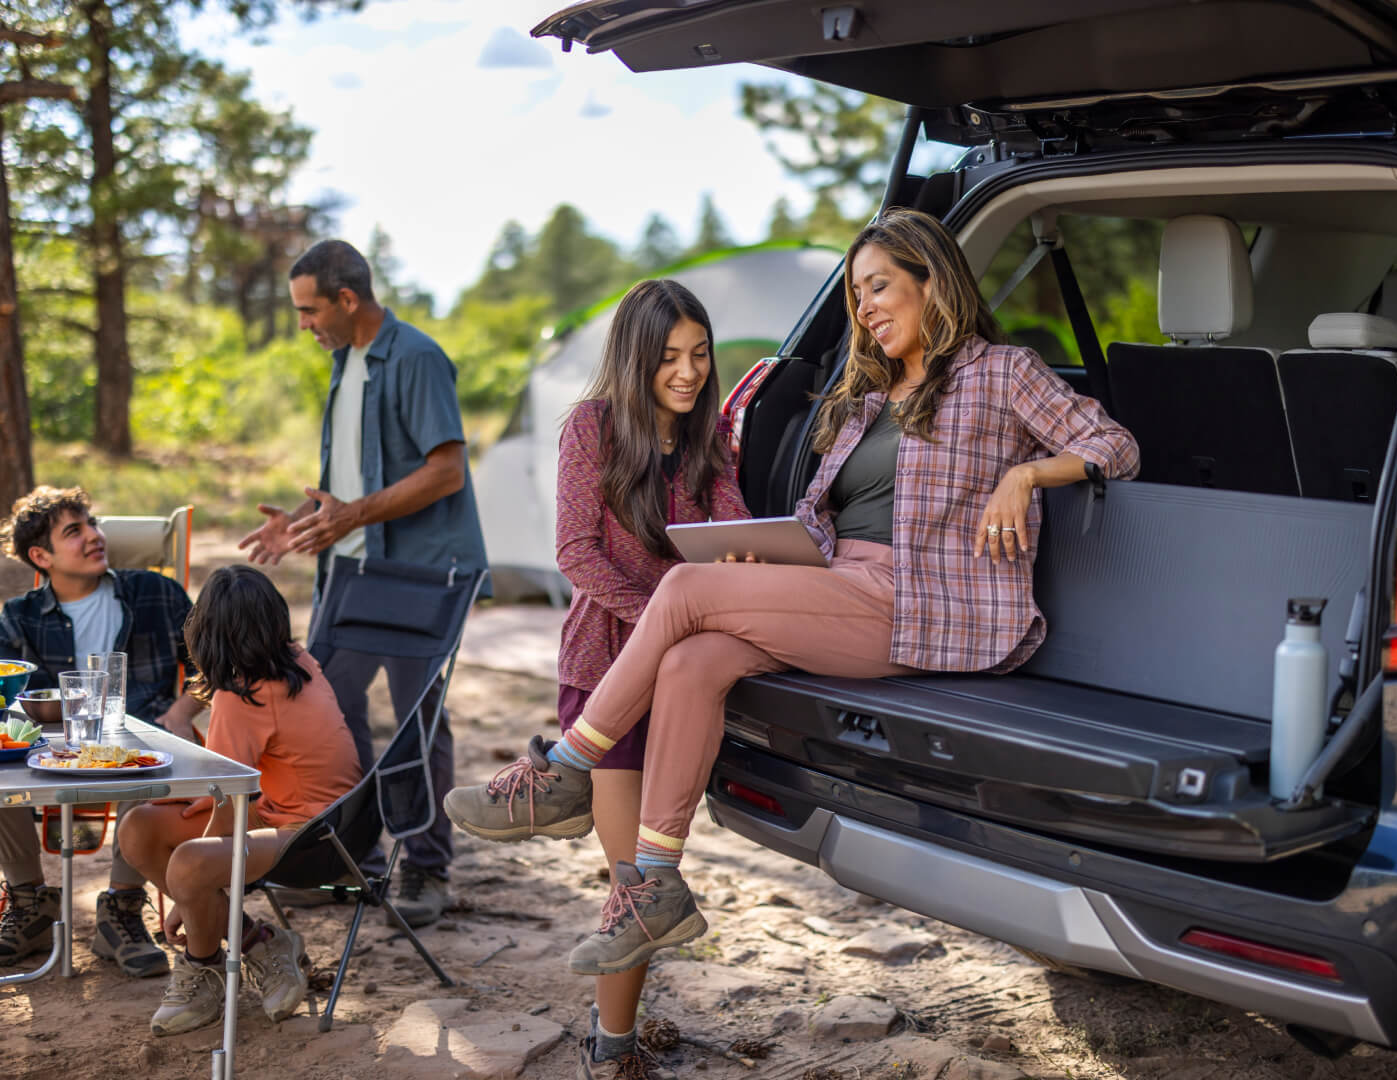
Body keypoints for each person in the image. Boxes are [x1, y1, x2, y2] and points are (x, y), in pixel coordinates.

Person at [444, 208, 1140, 973]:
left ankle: (567, 771)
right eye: (856, 296)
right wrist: (767, 557)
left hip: (923, 604)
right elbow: (821, 521)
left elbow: (1114, 444)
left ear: (931, 281)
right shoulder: (868, 399)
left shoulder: (1002, 372)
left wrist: (1026, 474)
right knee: (694, 661)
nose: (866, 308)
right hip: (844, 588)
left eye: (879, 287)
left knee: (682, 590)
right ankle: (658, 881)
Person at [447, 280, 747, 1078]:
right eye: (669, 357)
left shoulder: (713, 440)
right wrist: (667, 612)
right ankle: (611, 1048)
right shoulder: (592, 427)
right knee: (632, 888)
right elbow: (576, 553)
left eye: (700, 354)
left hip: (682, 684)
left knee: (655, 879)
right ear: (635, 357)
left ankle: (557, 785)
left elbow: (733, 538)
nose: (687, 372)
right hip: (602, 672)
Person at [238, 239, 488, 927]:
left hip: (419, 575)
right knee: (327, 713)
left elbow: (445, 472)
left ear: (348, 300)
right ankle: (354, 865)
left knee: (415, 723)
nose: (303, 325)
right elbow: (351, 484)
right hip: (351, 568)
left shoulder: (417, 358)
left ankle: (426, 868)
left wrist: (353, 515)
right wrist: (300, 522)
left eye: (309, 310)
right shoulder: (345, 362)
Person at [118, 564, 362, 1036]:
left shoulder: (241, 697)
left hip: (310, 839)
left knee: (188, 864)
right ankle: (259, 942)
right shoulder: (296, 661)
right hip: (336, 822)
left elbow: (229, 809)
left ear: (206, 632)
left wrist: (184, 896)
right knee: (138, 827)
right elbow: (236, 796)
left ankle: (202, 967)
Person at [0, 486, 205, 978]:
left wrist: (180, 714)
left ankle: (122, 910)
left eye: (93, 524)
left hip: (144, 736)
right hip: (50, 751)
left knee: (152, 755)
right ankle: (29, 901)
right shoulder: (19, 617)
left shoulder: (157, 592)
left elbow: (212, 666)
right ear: (40, 555)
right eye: (76, 531)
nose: (95, 536)